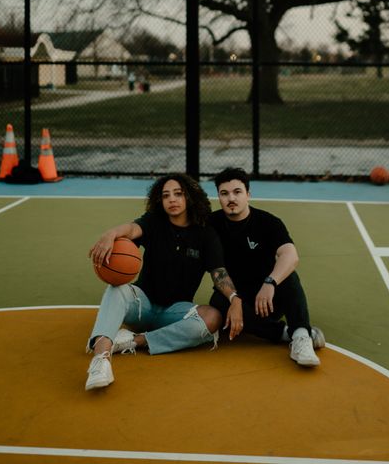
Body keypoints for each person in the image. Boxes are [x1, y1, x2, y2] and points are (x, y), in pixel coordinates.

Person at [86, 173, 242, 391]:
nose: (172, 199)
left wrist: (234, 299)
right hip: (143, 305)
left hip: (175, 313)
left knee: (213, 317)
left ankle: (135, 341)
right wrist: (111, 233)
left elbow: (218, 272)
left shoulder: (205, 234)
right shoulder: (154, 222)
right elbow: (131, 230)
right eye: (166, 195)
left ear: (189, 197)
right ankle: (101, 359)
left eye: (178, 194)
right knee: (117, 289)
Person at [209, 167, 325, 367]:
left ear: (248, 195)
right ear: (218, 197)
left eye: (237, 192)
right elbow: (217, 271)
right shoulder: (211, 224)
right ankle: (286, 334)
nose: (231, 198)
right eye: (224, 193)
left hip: (268, 300)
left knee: (288, 275)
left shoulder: (268, 222)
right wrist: (234, 299)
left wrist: (270, 282)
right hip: (237, 299)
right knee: (218, 302)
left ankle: (301, 336)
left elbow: (290, 255)